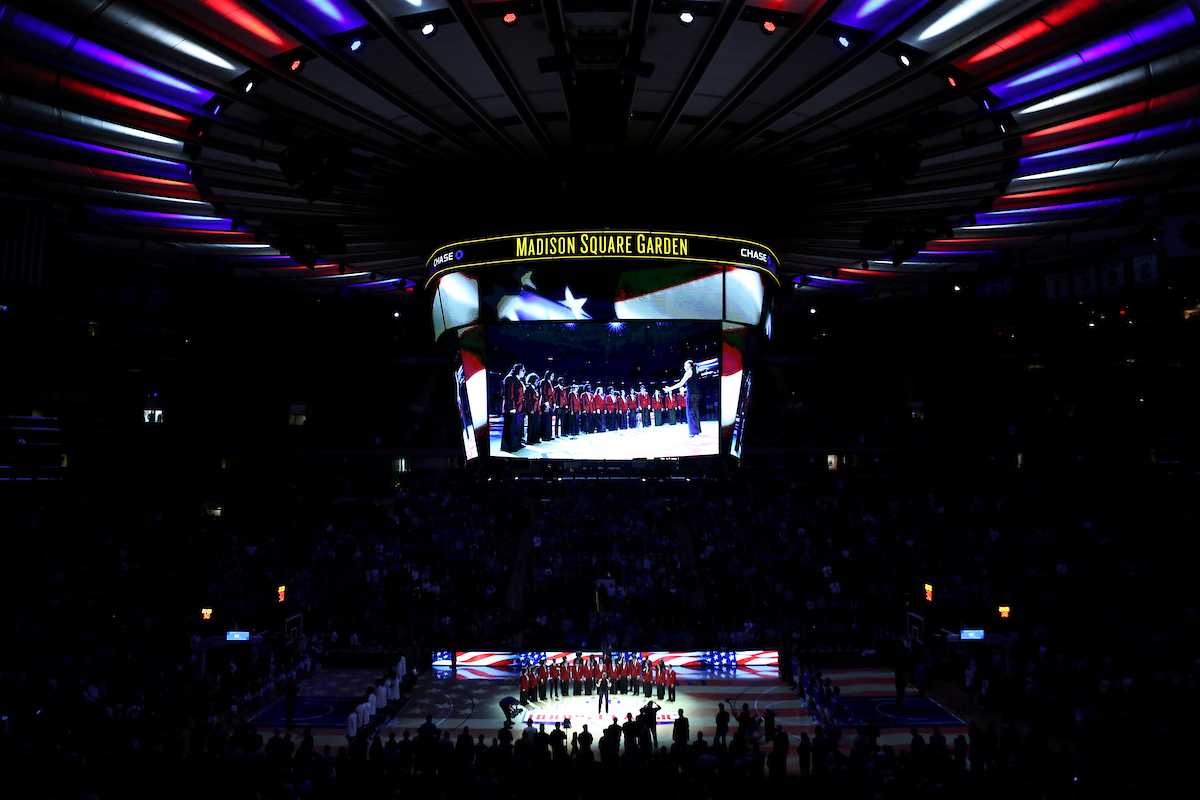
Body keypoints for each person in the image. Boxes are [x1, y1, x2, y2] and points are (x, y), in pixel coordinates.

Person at [664, 359, 703, 437]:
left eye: (685, 365)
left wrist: (670, 388)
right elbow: (693, 384)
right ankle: (697, 430)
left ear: (689, 365)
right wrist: (685, 389)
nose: (684, 367)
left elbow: (681, 383)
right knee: (695, 412)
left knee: (690, 412)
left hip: (691, 394)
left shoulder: (688, 372)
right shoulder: (696, 371)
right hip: (697, 393)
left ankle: (693, 432)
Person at [501, 363, 525, 453]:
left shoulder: (518, 380)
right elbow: (510, 394)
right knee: (511, 427)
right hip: (513, 407)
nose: (524, 372)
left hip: (519, 408)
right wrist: (512, 407)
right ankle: (509, 446)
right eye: (522, 370)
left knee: (517, 427)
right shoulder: (510, 378)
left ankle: (516, 443)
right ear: (518, 370)